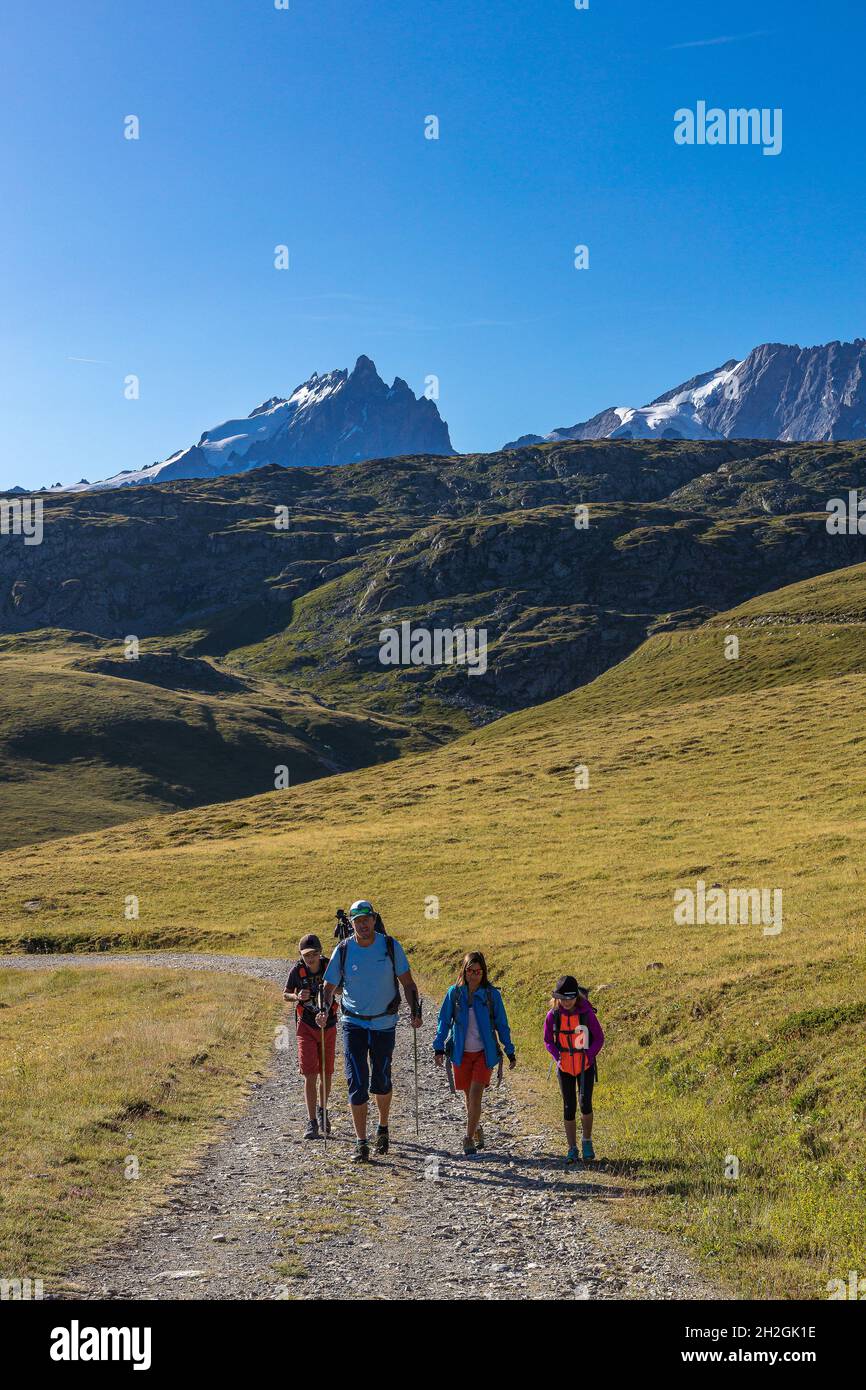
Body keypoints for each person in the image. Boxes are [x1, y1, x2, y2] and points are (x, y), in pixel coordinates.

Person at [320, 899, 421, 1163]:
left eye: (367, 919)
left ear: (374, 920)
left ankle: (383, 1127)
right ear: (351, 924)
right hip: (353, 1023)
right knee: (357, 1082)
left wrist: (415, 1011)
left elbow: (408, 983)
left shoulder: (390, 946)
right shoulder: (342, 950)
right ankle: (361, 1142)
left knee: (381, 1080)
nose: (363, 925)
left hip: (384, 1023)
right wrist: (323, 1009)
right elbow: (328, 987)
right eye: (357, 921)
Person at [432, 951, 516, 1155]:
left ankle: (468, 1138)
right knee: (468, 1097)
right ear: (464, 970)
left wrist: (509, 1050)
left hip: (483, 1054)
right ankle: (476, 1127)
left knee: (476, 1094)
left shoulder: (491, 995)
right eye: (470, 970)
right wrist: (438, 1046)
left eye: (478, 971)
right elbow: (444, 1021)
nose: (474, 975)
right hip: (460, 1053)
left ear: (484, 972)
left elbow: (502, 1025)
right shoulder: (454, 993)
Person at [543, 975, 604, 1163]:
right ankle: (572, 1148)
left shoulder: (586, 1013)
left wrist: (589, 1055)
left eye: (570, 998)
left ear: (576, 997)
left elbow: (599, 1038)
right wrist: (558, 1057)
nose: (567, 1002)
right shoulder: (553, 1015)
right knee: (569, 1107)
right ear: (557, 998)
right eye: (563, 998)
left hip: (585, 1066)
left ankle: (586, 1142)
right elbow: (548, 1041)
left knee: (585, 1104)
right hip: (565, 1067)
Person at [283, 933, 339, 1139]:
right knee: (309, 1074)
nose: (311, 958)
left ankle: (323, 1110)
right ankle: (312, 1121)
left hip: (329, 1025)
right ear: (301, 955)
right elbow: (285, 993)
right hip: (306, 1026)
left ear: (320, 952)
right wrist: (297, 996)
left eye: (314, 954)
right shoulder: (297, 970)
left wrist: (329, 991)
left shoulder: (329, 966)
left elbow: (342, 988)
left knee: (326, 1072)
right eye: (306, 955)